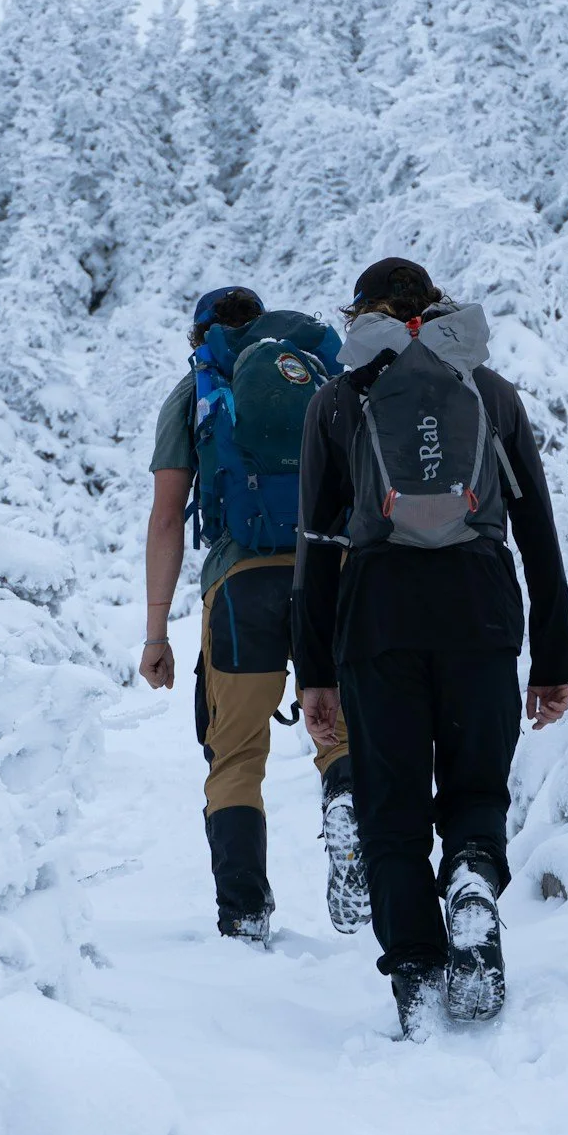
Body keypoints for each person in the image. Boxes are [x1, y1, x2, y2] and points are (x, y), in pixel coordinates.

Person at [293, 257, 568, 1037]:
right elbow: (538, 532)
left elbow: (316, 542)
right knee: (476, 787)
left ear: (362, 315)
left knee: (392, 809)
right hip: (481, 608)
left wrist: (313, 670)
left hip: (377, 616)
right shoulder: (488, 391)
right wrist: (553, 659)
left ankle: (415, 973)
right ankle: (474, 880)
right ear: (436, 307)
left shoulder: (336, 402)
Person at [142, 285, 369, 944]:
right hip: (331, 570)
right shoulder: (315, 374)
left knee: (236, 755)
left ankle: (244, 911)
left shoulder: (195, 394)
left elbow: (165, 518)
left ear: (200, 337)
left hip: (241, 584)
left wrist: (157, 631)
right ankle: (347, 799)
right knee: (343, 731)